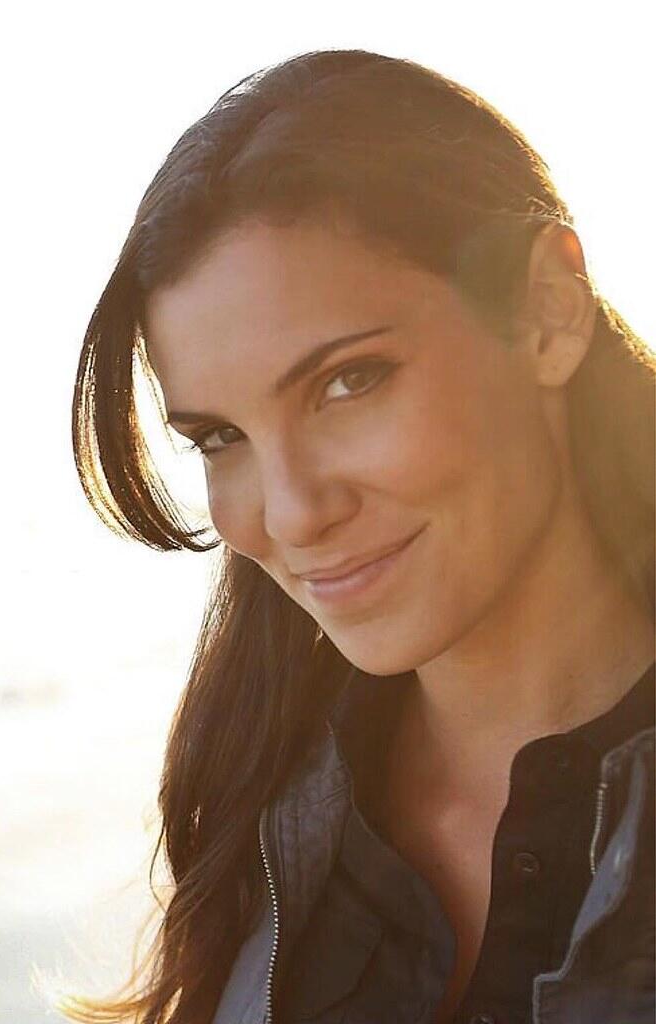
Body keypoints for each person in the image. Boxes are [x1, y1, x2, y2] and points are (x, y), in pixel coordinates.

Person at [64, 50, 655, 1024]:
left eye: (349, 381)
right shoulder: (260, 800)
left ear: (549, 309)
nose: (292, 512)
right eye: (222, 438)